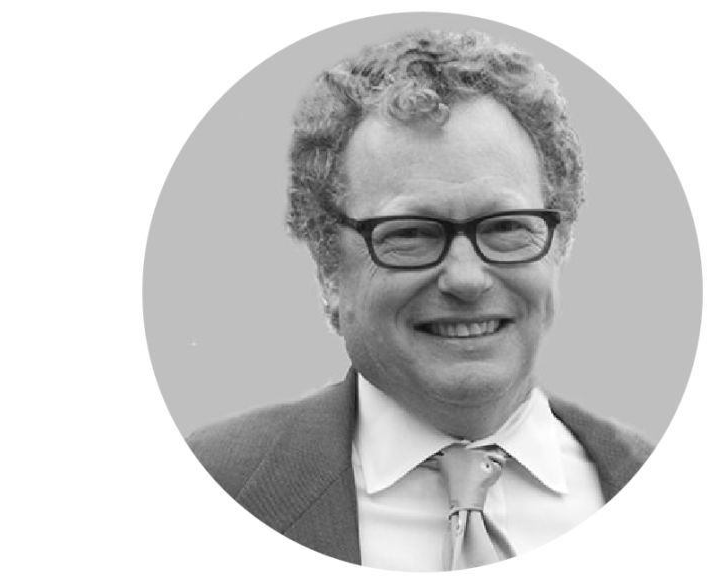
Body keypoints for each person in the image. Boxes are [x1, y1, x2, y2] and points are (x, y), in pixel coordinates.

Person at [188, 29, 653, 571]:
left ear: (561, 244)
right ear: (327, 267)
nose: (466, 278)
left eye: (505, 227)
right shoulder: (211, 488)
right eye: (411, 234)